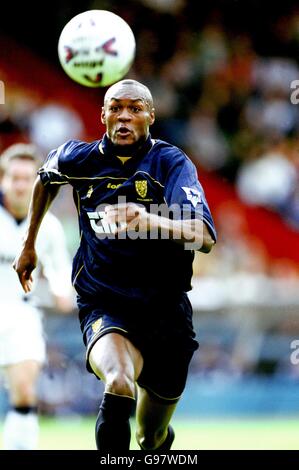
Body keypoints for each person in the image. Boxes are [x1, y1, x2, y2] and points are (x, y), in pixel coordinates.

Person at [13, 79, 217, 451]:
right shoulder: (79, 158)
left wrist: (151, 220)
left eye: (135, 109)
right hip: (104, 301)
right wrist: (29, 245)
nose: (124, 117)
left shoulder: (170, 163)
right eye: (116, 108)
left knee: (150, 436)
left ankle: (154, 437)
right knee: (119, 381)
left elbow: (202, 236)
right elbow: (47, 178)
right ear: (102, 114)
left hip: (166, 312)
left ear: (150, 116)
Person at [0, 143, 73, 450]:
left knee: (25, 391)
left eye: (27, 178)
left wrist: (62, 292)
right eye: (13, 178)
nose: (19, 185)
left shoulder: (49, 227)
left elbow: (60, 273)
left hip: (21, 313)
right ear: (2, 179)